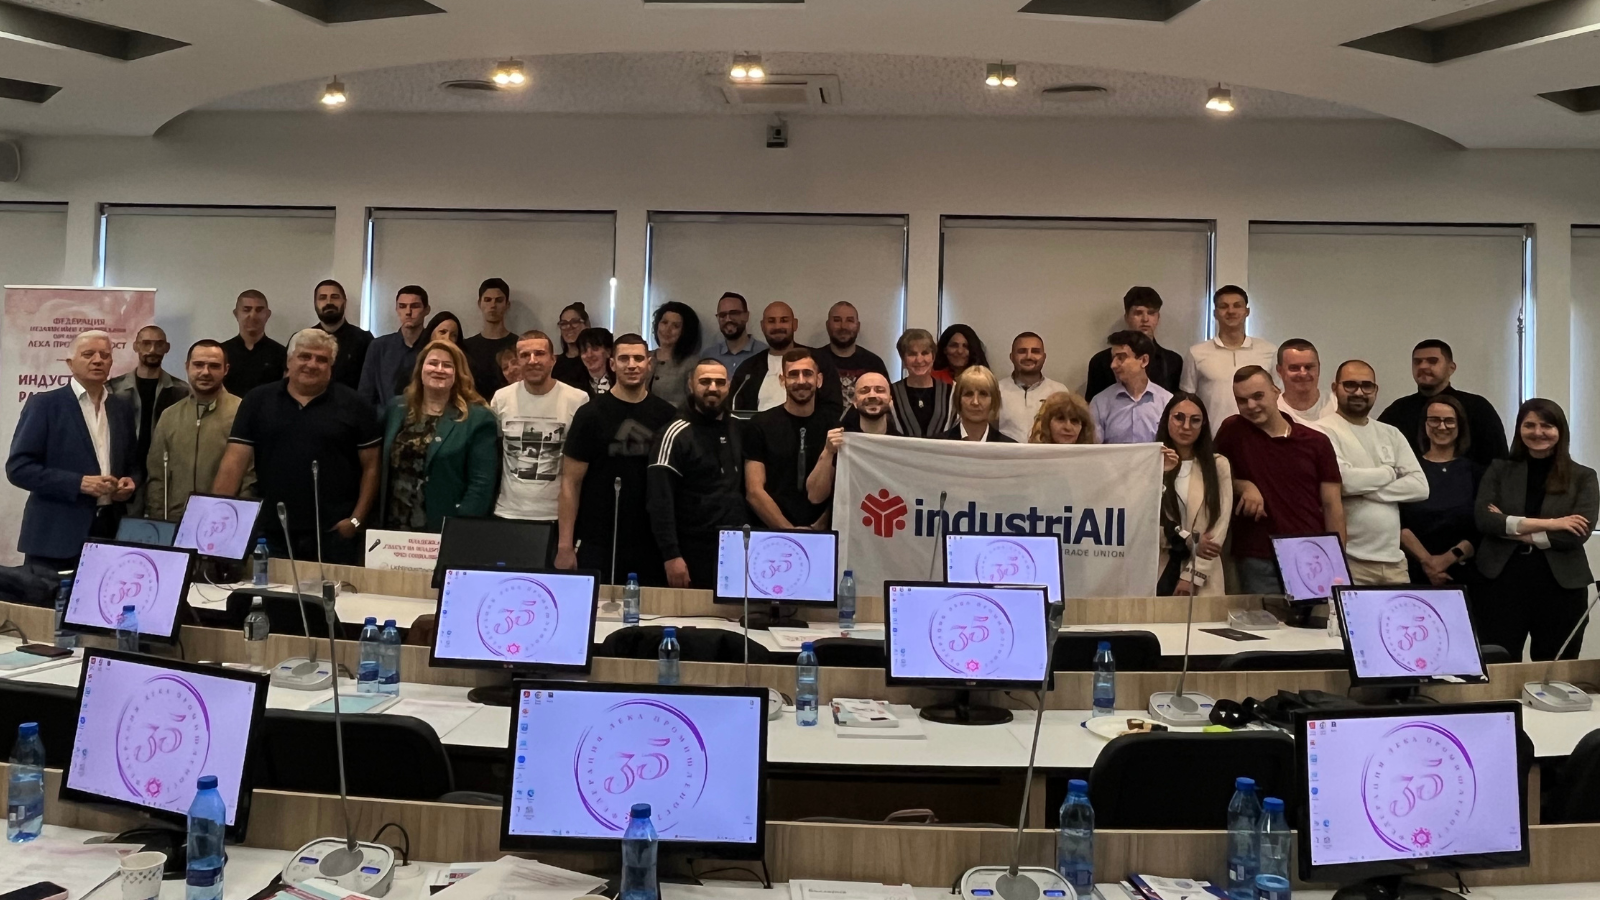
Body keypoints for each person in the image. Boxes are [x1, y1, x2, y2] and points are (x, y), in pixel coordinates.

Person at [214, 328, 381, 565]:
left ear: (331, 366)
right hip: (271, 533)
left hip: (335, 534)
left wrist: (356, 520)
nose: (312, 364)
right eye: (304, 356)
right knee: (271, 591)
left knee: (333, 592)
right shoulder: (257, 400)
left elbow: (372, 467)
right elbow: (233, 463)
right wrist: (217, 520)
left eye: (321, 359)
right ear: (289, 360)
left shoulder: (356, 405)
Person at [1473, 398, 1598, 660]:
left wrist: (1512, 528)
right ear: (1519, 428)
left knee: (1555, 667)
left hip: (1560, 585)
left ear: (1560, 430)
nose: (1537, 432)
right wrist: (1553, 523)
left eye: (1546, 425)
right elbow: (1484, 520)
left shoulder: (1583, 476)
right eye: (1529, 425)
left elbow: (1577, 533)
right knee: (1498, 664)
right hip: (1501, 581)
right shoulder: (1499, 470)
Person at [6, 331, 137, 569]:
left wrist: (130, 483)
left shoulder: (121, 408)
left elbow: (132, 464)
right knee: (48, 595)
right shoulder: (45, 404)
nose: (97, 360)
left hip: (109, 533)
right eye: (88, 354)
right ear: (70, 363)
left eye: (105, 355)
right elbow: (19, 468)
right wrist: (78, 483)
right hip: (55, 536)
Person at [554, 334, 677, 585]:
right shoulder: (589, 415)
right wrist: (565, 546)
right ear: (612, 364)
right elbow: (570, 483)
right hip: (598, 539)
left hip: (650, 540)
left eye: (638, 358)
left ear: (649, 364)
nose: (631, 365)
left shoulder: (668, 415)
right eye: (624, 359)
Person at [1214, 366, 1345, 595]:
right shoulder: (1232, 431)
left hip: (1311, 556)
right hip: (1258, 558)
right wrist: (1243, 486)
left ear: (1276, 392)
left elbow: (1332, 504)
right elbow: (1209, 474)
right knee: (1263, 619)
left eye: (1258, 396)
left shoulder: (1316, 442)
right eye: (1242, 400)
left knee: (1316, 620)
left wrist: (1337, 560)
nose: (1251, 405)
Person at [1315, 361, 1429, 585]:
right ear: (1335, 387)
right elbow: (1344, 481)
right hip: (1349, 562)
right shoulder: (1321, 431)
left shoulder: (1391, 433)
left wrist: (1365, 490)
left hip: (1394, 562)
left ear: (1375, 390)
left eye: (1367, 386)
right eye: (1350, 385)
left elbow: (1420, 487)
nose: (1359, 392)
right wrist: (1388, 473)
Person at [648, 359, 748, 589]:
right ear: (691, 385)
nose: (713, 387)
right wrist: (671, 555)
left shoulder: (739, 428)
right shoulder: (674, 434)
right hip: (690, 552)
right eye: (705, 381)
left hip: (735, 549)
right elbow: (659, 500)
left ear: (728, 386)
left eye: (720, 382)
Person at [380, 340, 497, 533]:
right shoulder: (396, 409)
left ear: (457, 374)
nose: (439, 369)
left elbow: (481, 484)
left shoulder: (478, 418)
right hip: (394, 526)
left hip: (445, 525)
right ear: (421, 369)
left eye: (447, 365)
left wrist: (460, 526)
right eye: (433, 363)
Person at [491, 330, 589, 531]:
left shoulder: (577, 399)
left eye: (539, 354)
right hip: (508, 512)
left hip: (556, 515)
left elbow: (578, 471)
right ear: (518, 361)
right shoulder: (501, 399)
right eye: (525, 355)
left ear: (553, 359)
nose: (532, 360)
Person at [146, 340, 251, 522]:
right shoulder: (169, 416)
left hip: (223, 521)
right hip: (175, 522)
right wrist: (160, 521)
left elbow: (249, 476)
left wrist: (239, 521)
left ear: (226, 369)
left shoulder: (243, 412)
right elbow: (157, 476)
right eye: (199, 365)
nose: (205, 372)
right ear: (187, 367)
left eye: (214, 366)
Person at [1378, 339, 1507, 469]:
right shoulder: (1397, 411)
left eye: (1432, 361)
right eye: (1417, 362)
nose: (1423, 366)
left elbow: (1499, 464)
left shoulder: (1478, 408)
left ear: (1451, 368)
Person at [745, 349, 837, 530]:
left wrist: (818, 528)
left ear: (819, 380)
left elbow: (841, 488)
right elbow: (754, 491)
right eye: (793, 375)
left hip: (822, 532)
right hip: (772, 531)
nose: (801, 381)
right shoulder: (760, 425)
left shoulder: (834, 426)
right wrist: (789, 532)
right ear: (782, 380)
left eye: (807, 374)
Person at [1399, 394, 1484, 586]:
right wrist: (1428, 562)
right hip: (1413, 571)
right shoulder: (1408, 470)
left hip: (1464, 572)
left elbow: (1481, 527)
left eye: (1449, 421)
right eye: (1434, 420)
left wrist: (1447, 559)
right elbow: (1398, 523)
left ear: (1460, 425)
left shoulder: (1476, 472)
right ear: (1424, 425)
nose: (1442, 426)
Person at [108, 325, 189, 513]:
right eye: (146, 344)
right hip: (124, 477)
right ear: (136, 346)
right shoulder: (113, 390)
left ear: (167, 348)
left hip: (166, 477)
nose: (152, 350)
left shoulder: (182, 391)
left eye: (159, 344)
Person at [1156, 393, 1231, 596]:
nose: (1186, 426)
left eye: (1195, 420)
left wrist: (1193, 576)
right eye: (1179, 418)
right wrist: (1184, 539)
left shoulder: (1218, 465)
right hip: (1159, 566)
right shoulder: (1152, 463)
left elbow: (1219, 528)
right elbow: (1147, 522)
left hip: (1203, 572)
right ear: (1167, 419)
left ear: (1203, 425)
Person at [1182, 285, 1277, 435]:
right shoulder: (1196, 353)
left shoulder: (1269, 351)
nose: (1231, 311)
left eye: (1237, 306)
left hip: (1260, 437)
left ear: (1247, 312)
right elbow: (1188, 402)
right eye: (1224, 306)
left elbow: (1278, 399)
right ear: (1215, 313)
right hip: (1213, 439)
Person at [729, 302, 843, 417]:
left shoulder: (819, 360)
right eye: (771, 321)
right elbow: (735, 412)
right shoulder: (748, 369)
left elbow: (833, 407)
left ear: (795, 324)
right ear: (762, 326)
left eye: (784, 320)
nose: (777, 326)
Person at [1086, 286, 1184, 399]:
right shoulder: (1101, 362)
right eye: (1138, 313)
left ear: (1158, 317)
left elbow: (1177, 405)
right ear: (1127, 317)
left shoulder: (1173, 361)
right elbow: (1092, 405)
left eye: (1151, 313)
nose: (1145, 319)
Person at [1089, 330, 1173, 444]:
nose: (1113, 365)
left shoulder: (1167, 401)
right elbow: (1093, 449)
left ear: (1144, 360)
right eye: (1113, 358)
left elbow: (1172, 445)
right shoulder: (1100, 403)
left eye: (1121, 357)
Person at [359, 285, 431, 411]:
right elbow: (366, 393)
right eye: (402, 306)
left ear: (426, 310)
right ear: (396, 309)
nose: (408, 312)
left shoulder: (434, 347)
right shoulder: (379, 347)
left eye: (415, 306)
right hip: (385, 418)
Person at [997, 332, 1069, 441]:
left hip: (1047, 452)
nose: (1029, 356)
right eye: (1022, 351)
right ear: (1011, 357)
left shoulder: (1059, 391)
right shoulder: (997, 390)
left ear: (1044, 357)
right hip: (1006, 452)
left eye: (1035, 351)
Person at [889, 328, 955, 438]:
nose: (919, 360)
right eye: (912, 354)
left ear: (933, 356)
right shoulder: (890, 393)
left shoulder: (951, 393)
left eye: (925, 353)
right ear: (903, 358)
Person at [822, 301, 889, 407]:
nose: (843, 326)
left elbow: (885, 404)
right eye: (837, 320)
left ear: (858, 326)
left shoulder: (874, 363)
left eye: (850, 320)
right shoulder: (815, 361)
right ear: (827, 325)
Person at [311, 279, 373, 392]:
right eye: (322, 298)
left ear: (344, 302)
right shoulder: (303, 340)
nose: (329, 302)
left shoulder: (364, 340)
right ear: (315, 304)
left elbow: (371, 384)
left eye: (335, 297)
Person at [222, 290, 287, 397]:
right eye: (246, 310)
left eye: (259, 310)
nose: (253, 315)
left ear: (267, 315)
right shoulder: (221, 352)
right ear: (236, 314)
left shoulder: (281, 353)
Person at [461, 277, 518, 399]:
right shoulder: (466, 347)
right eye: (487, 300)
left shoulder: (519, 345)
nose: (493, 305)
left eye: (499, 300)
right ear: (479, 304)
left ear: (507, 304)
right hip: (474, 407)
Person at [943, 366, 1016, 443]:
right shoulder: (938, 445)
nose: (975, 402)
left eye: (983, 394)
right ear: (958, 399)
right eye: (968, 394)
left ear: (994, 400)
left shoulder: (1010, 447)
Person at [649, 301, 701, 409]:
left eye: (676, 326)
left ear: (685, 331)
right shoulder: (645, 357)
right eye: (664, 323)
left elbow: (694, 405)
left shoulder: (692, 364)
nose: (667, 330)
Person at [1274, 339, 1338, 424]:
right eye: (1294, 368)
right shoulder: (1273, 410)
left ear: (1318, 369)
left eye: (1309, 367)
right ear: (1279, 370)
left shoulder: (1337, 404)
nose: (1303, 373)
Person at [703, 292, 766, 376]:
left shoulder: (764, 353)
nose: (728, 319)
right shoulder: (709, 355)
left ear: (746, 316)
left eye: (734, 313)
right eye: (722, 315)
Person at [1029, 391, 1096, 445]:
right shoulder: (1031, 456)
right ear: (1046, 423)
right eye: (1060, 419)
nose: (1068, 427)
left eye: (1074, 421)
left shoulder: (1092, 456)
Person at [563, 327, 614, 398]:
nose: (589, 355)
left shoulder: (619, 382)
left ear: (608, 352)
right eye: (584, 350)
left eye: (595, 349)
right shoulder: (571, 385)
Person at [552, 302, 590, 388]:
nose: (569, 327)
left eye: (575, 322)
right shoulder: (554, 363)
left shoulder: (593, 360)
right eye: (564, 323)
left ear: (586, 325)